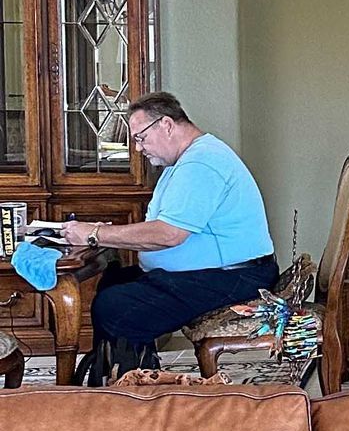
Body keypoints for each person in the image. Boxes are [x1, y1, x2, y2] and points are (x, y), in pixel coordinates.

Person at [61, 92, 276, 379]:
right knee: (115, 281)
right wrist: (101, 234)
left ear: (166, 125)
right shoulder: (187, 160)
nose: (138, 149)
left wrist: (96, 234)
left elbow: (168, 235)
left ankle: (134, 387)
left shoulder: (201, 163)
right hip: (220, 272)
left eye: (140, 138)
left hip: (235, 278)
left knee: (115, 306)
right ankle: (123, 373)